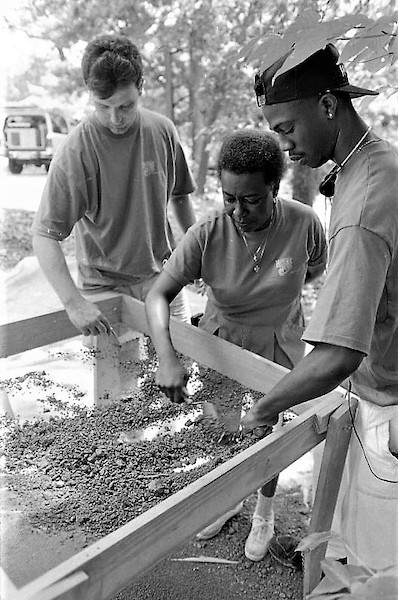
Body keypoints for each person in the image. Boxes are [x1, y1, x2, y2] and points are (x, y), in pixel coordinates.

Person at [241, 43, 398, 570]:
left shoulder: (365, 202)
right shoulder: (373, 163)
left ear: (329, 105)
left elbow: (338, 354)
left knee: (372, 565)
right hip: (378, 387)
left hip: (386, 407)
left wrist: (262, 410)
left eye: (286, 128)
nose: (282, 145)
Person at [145, 128, 327, 561]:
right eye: (229, 198)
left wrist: (282, 298)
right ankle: (227, 498)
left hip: (278, 343)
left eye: (250, 199)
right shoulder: (208, 231)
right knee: (225, 428)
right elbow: (157, 295)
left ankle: (262, 510)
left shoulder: (304, 222)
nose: (237, 210)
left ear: (274, 188)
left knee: (267, 433)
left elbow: (315, 271)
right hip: (222, 341)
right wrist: (167, 357)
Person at [32, 33, 196, 336]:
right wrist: (73, 303)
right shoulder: (75, 151)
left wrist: (195, 251)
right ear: (90, 94)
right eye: (103, 106)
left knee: (180, 372)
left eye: (125, 106)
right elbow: (44, 235)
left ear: (141, 88)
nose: (115, 118)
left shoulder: (162, 131)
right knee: (117, 383)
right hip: (104, 286)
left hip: (165, 276)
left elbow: (181, 197)